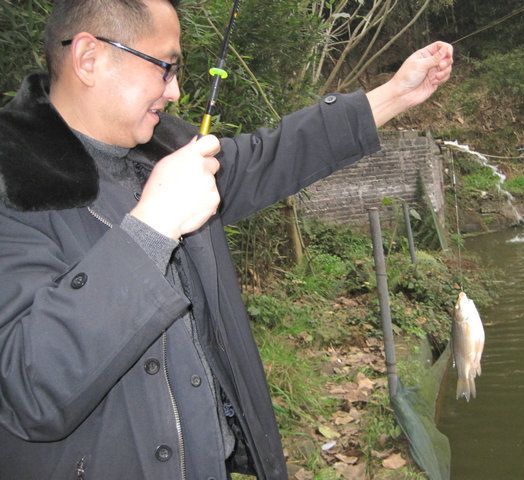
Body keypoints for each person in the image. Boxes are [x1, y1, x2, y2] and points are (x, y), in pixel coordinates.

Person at [0, 0, 453, 478]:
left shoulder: (163, 151)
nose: (175, 91)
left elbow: (272, 155)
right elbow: (29, 386)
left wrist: (394, 95)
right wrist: (151, 228)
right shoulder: (15, 179)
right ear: (90, 58)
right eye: (165, 67)